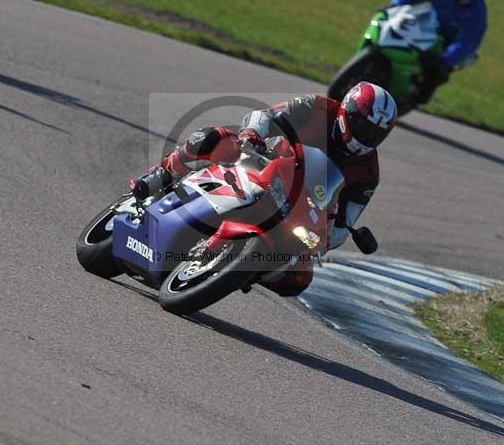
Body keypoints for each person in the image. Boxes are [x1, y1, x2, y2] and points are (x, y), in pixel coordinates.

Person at [133, 82, 398, 297]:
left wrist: (327, 237)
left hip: (298, 211)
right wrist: (252, 134)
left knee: (300, 277)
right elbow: (266, 115)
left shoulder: (368, 174)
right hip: (261, 163)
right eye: (363, 125)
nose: (367, 136)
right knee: (215, 138)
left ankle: (244, 269)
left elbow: (345, 224)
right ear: (346, 111)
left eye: (376, 133)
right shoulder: (317, 107)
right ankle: (162, 173)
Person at [390, 0, 487, 104]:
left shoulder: (477, 11)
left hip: (451, 43)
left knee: (435, 71)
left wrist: (444, 60)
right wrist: (394, 6)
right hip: (429, 24)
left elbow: (466, 42)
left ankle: (417, 97)